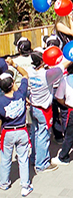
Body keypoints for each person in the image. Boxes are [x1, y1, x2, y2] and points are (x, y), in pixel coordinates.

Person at [0, 60, 33, 196]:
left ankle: (4, 183)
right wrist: (14, 65)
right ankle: (25, 186)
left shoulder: (1, 101)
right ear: (12, 84)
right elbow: (25, 75)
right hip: (22, 130)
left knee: (5, 159)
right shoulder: (21, 93)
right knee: (23, 158)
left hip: (7, 132)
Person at [27, 51, 63, 173]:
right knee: (43, 136)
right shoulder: (46, 75)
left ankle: (34, 158)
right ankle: (42, 164)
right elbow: (62, 67)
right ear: (43, 61)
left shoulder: (30, 71)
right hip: (44, 110)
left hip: (34, 107)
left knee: (35, 134)